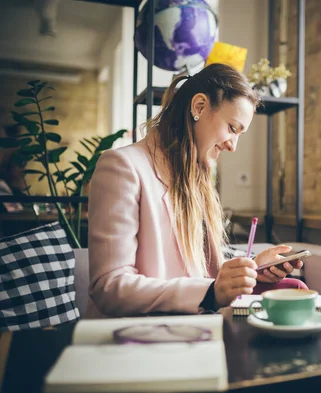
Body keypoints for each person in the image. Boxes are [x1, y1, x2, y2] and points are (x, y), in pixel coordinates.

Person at [87, 63, 308, 318]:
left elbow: (199, 275)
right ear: (199, 107)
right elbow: (110, 287)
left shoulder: (195, 179)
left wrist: (251, 270)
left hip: (189, 330)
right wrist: (212, 292)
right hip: (134, 336)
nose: (233, 146)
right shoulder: (122, 167)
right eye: (232, 128)